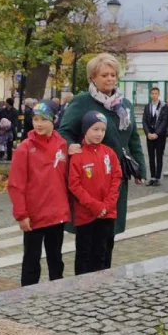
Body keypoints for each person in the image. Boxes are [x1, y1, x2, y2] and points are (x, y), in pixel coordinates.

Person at [57, 54, 147, 247]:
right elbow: (64, 131)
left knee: (110, 229)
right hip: (90, 174)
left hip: (115, 175)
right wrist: (71, 145)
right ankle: (87, 274)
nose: (110, 79)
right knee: (89, 231)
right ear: (93, 78)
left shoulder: (125, 105)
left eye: (113, 75)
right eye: (104, 75)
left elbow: (133, 139)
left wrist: (140, 169)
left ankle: (105, 272)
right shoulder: (82, 102)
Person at [9, 102, 69, 285]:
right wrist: (21, 214)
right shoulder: (24, 148)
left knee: (56, 259)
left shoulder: (62, 145)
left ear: (54, 120)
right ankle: (26, 295)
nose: (39, 124)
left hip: (56, 213)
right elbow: (15, 184)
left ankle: (57, 293)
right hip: (34, 215)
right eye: (35, 119)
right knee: (31, 260)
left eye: (44, 119)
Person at [67, 111, 123, 275]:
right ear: (86, 130)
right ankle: (82, 289)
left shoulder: (109, 153)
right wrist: (95, 206)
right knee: (85, 253)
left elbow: (116, 177)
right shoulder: (78, 156)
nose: (99, 134)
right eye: (95, 129)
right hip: (86, 214)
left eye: (102, 130)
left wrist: (108, 204)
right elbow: (74, 185)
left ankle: (102, 287)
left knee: (103, 252)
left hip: (107, 213)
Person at [141, 86, 168, 185]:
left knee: (159, 156)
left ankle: (157, 177)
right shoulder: (147, 106)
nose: (154, 95)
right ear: (150, 95)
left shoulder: (164, 106)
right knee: (151, 157)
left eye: (156, 93)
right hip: (150, 135)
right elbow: (144, 121)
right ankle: (152, 177)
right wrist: (148, 133)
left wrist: (157, 133)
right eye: (152, 93)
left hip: (160, 135)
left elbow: (164, 121)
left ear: (159, 94)